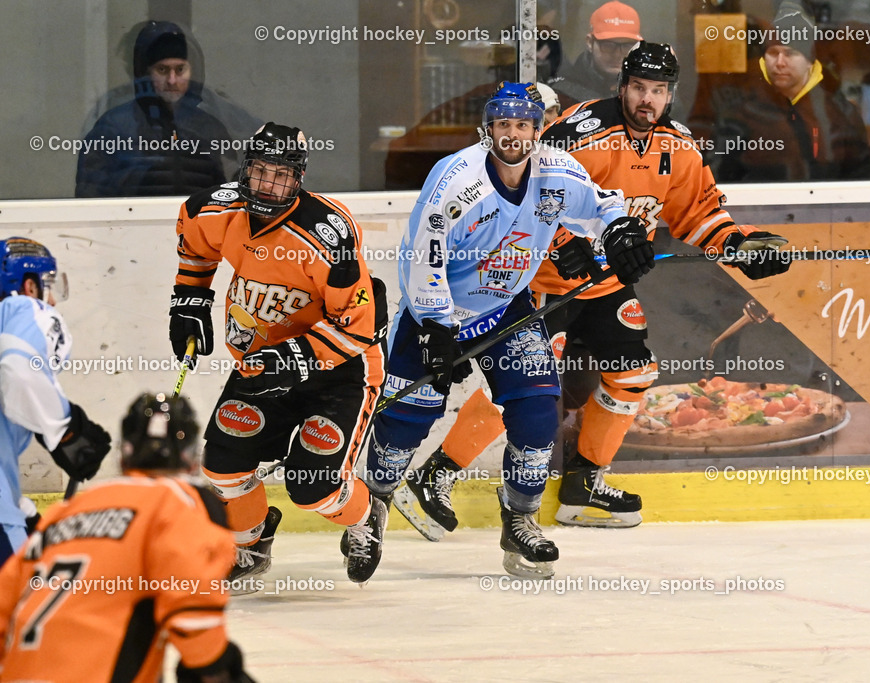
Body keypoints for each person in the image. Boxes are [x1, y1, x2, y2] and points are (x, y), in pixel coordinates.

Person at [395, 43, 790, 536]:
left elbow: (699, 213)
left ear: (670, 95)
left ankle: (583, 486)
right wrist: (560, 243)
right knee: (526, 385)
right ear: (621, 87)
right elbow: (528, 184)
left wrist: (738, 244)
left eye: (659, 91)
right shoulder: (580, 131)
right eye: (639, 88)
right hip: (542, 283)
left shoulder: (680, 147)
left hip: (605, 285)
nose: (647, 100)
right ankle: (437, 476)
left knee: (635, 374)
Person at [362, 81, 656, 579]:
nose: (514, 135)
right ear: (489, 129)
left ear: (538, 130)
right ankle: (372, 507)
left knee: (539, 410)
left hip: (505, 308)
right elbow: (421, 251)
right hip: (437, 315)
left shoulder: (558, 171)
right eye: (504, 125)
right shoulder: (456, 179)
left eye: (523, 125)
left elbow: (603, 203)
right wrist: (436, 327)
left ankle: (519, 518)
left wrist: (619, 230)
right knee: (407, 419)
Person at [168, 122, 390, 584]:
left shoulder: (328, 233)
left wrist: (293, 360)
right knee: (223, 467)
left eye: (281, 175)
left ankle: (366, 514)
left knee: (313, 489)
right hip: (261, 363)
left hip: (340, 370)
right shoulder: (212, 210)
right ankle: (251, 544)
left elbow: (360, 326)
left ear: (300, 177)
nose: (268, 184)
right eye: (260, 171)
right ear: (245, 169)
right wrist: (190, 303)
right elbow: (195, 249)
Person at [0, 393, 255, 682]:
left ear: (124, 454)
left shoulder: (67, 510)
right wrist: (217, 667)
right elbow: (192, 613)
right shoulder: (180, 503)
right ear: (191, 456)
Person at [0, 238, 111, 565]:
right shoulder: (25, 309)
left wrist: (26, 513)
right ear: (29, 285)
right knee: (24, 608)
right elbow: (20, 371)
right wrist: (66, 432)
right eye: (47, 285)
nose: (52, 299)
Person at [689, 0, 870, 181]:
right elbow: (716, 183)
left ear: (810, 60)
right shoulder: (739, 116)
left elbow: (861, 181)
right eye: (773, 53)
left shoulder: (840, 114)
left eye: (791, 53)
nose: (780, 63)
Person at [76, 21, 240, 197]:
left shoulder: (210, 128)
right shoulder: (113, 128)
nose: (172, 80)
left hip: (196, 224)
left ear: (193, 72)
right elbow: (89, 201)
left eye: (180, 70)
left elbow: (226, 198)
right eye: (162, 69)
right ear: (145, 73)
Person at [549, 1, 643, 106]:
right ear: (590, 42)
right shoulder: (563, 95)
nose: (618, 54)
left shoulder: (647, 90)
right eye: (608, 46)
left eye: (627, 47)